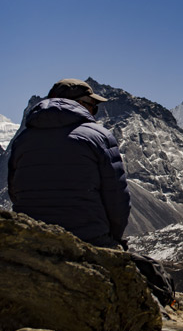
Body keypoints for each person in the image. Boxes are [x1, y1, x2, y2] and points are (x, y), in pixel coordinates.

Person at [8, 78, 131, 249]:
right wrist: (112, 239)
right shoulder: (100, 136)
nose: (94, 112)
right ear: (80, 103)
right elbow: (117, 200)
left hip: (30, 238)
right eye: (93, 106)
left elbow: (14, 192)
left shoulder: (22, 140)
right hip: (88, 239)